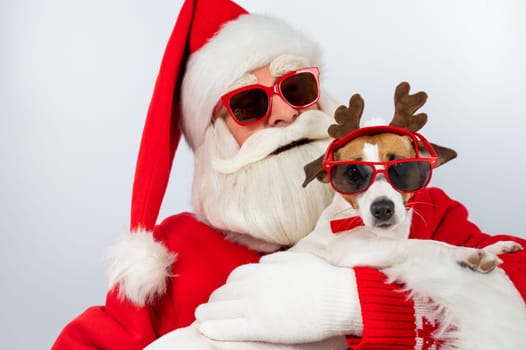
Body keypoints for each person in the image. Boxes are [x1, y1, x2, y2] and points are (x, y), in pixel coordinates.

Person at [52, 0, 526, 349]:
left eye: (296, 87)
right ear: (217, 136)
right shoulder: (169, 256)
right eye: (250, 104)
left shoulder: (413, 208)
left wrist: (356, 305)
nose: (282, 114)